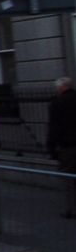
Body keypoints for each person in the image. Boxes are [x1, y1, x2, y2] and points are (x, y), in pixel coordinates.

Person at [47, 76, 76, 219]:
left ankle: (70, 209)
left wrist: (51, 148)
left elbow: (53, 128)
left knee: (68, 179)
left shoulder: (57, 103)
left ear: (61, 87)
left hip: (67, 146)